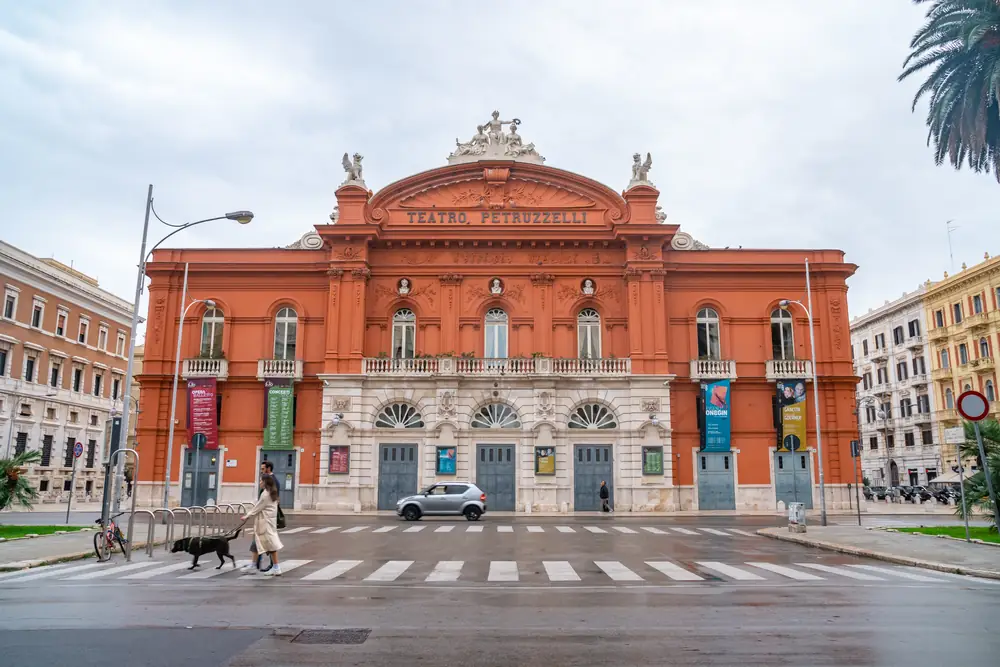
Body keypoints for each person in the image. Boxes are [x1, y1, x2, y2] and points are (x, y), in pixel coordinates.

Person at [242, 475, 284, 577]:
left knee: (271, 546)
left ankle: (276, 567)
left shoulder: (265, 495)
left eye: (261, 481)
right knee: (256, 544)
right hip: (268, 523)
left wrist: (247, 516)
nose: (260, 482)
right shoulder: (272, 493)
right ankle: (253, 565)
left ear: (265, 482)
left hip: (265, 524)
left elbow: (257, 508)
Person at [250, 462, 282, 571]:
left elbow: (270, 502)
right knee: (262, 541)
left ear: (268, 469)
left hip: (267, 518)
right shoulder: (267, 486)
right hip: (265, 518)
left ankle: (273, 565)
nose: (261, 470)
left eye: (263, 468)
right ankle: (256, 564)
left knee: (269, 543)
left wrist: (248, 515)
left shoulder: (271, 485)